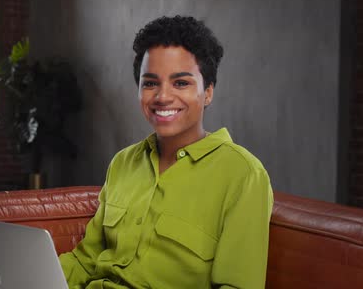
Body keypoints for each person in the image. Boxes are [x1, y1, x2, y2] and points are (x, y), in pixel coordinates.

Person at [59, 16, 274, 288]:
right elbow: (84, 261)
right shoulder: (124, 162)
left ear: (207, 92)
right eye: (150, 83)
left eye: (181, 83)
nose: (162, 97)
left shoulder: (243, 175)